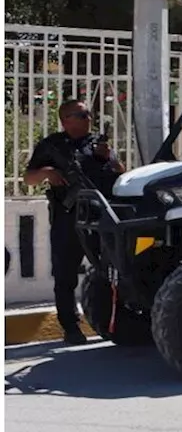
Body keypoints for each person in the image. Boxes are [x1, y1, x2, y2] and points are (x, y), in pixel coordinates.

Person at [23, 99, 125, 344]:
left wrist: (109, 157)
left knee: (114, 269)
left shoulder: (97, 145)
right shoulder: (51, 145)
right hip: (67, 218)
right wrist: (47, 173)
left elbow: (121, 172)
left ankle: (119, 320)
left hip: (100, 215)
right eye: (82, 114)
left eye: (89, 114)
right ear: (65, 119)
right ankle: (71, 327)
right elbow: (28, 178)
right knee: (65, 273)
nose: (89, 117)